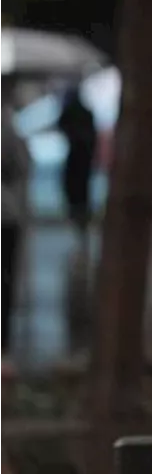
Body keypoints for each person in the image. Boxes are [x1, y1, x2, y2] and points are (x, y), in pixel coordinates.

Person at [0, 81, 30, 377]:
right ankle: (2, 348)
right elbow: (22, 163)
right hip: (5, 213)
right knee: (4, 280)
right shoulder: (6, 121)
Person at [56, 83, 96, 242]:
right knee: (78, 196)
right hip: (80, 161)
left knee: (78, 196)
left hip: (79, 161)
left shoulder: (81, 113)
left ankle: (81, 230)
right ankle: (81, 229)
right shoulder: (84, 113)